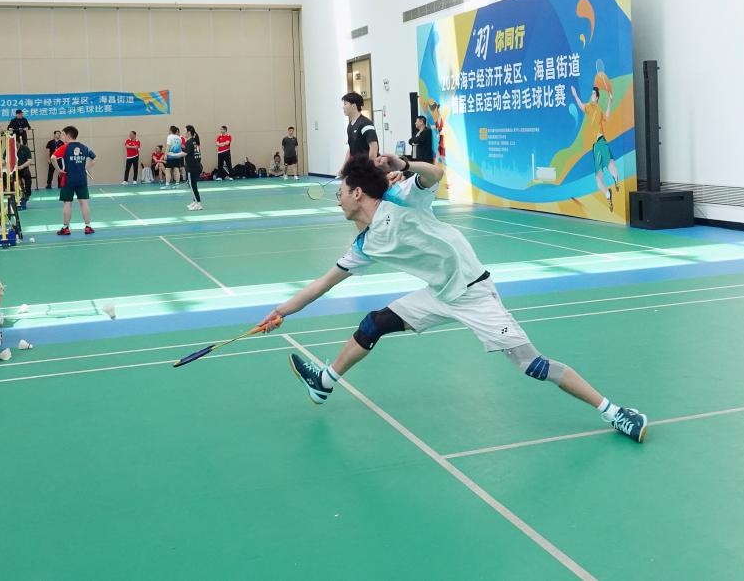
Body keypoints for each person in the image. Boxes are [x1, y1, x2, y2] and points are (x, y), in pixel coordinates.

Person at [258, 154, 647, 443]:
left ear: (357, 192)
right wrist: (280, 312)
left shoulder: (401, 197)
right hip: (440, 293)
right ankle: (324, 382)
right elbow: (323, 283)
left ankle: (614, 413)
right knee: (374, 323)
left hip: (473, 292)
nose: (338, 200)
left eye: (340, 193)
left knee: (534, 365)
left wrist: (404, 163)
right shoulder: (364, 244)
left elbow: (435, 175)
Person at [570, 85, 620, 211]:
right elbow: (581, 105)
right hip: (595, 147)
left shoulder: (598, 109)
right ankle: (608, 194)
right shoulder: (589, 107)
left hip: (601, 141)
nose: (591, 95)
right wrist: (575, 95)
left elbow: (607, 117)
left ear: (597, 97)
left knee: (610, 165)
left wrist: (610, 101)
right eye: (591, 93)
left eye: (593, 94)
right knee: (598, 181)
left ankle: (615, 179)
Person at [52, 126, 96, 236]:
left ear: (68, 135)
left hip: (68, 179)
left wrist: (58, 170)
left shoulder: (65, 147)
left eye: (63, 134)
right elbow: (94, 158)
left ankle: (65, 228)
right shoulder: (84, 147)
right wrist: (85, 167)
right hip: (82, 179)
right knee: (84, 202)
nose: (62, 137)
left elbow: (53, 158)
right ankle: (88, 227)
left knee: (67, 203)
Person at [338, 92, 378, 175]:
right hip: (357, 167)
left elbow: (374, 147)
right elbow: (351, 148)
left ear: (353, 106)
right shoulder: (350, 125)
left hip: (366, 169)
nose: (343, 107)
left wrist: (369, 168)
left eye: (345, 104)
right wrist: (344, 168)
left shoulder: (365, 123)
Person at [182, 125, 204, 210]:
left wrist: (172, 155)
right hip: (197, 166)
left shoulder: (189, 142)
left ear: (188, 132)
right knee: (192, 185)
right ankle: (195, 201)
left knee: (192, 186)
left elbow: (185, 153)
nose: (184, 133)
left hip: (192, 168)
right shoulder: (195, 141)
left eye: (185, 131)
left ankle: (198, 203)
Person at [14, 134, 33, 207]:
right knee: (14, 182)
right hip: (14, 170)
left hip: (24, 168)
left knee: (28, 180)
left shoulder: (25, 148)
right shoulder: (9, 148)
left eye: (16, 144)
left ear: (19, 142)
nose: (15, 146)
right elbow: (4, 159)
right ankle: (16, 197)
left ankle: (26, 195)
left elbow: (29, 160)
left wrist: (22, 166)